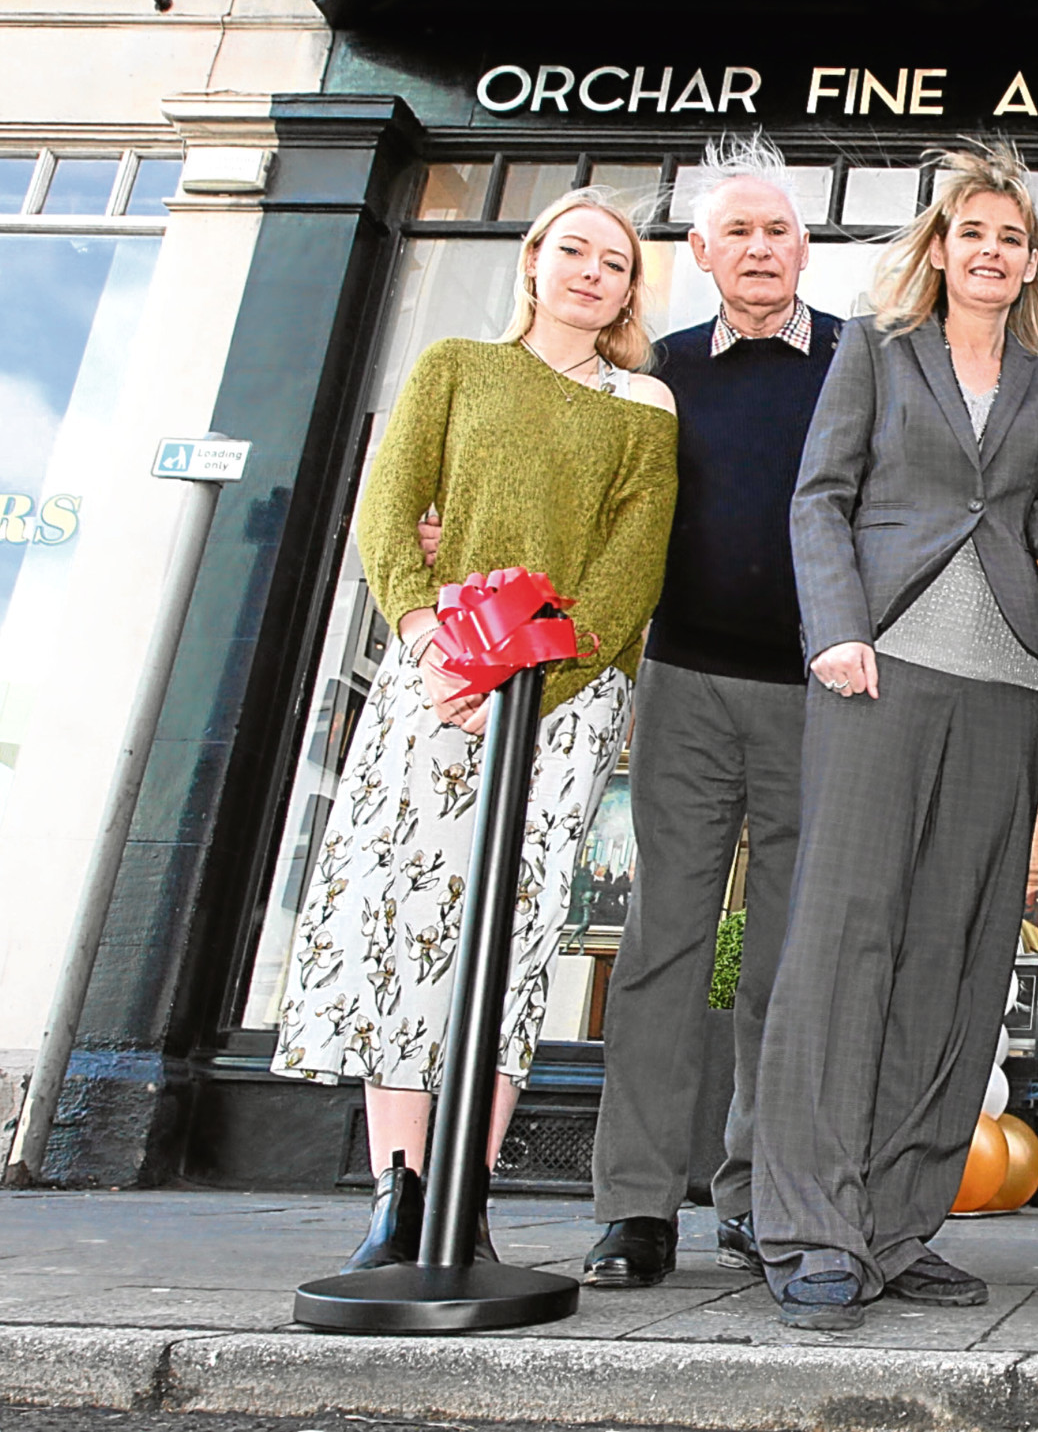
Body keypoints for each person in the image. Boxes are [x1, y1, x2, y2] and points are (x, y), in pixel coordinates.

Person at [753, 144, 1038, 1331]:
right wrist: (834, 628)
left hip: (1008, 683)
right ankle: (812, 1226)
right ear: (938, 248)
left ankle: (894, 1222)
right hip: (876, 667)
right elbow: (818, 497)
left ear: (1032, 262)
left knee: (961, 952)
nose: (993, 253)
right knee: (845, 946)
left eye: (1013, 239)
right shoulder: (874, 354)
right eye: (972, 233)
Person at [273, 186, 678, 1270]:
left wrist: (532, 681)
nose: (594, 272)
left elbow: (630, 569)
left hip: (563, 700)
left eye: (617, 262)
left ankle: (470, 1193)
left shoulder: (646, 406)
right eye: (576, 250)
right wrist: (423, 639)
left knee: (514, 936)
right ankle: (396, 1196)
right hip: (437, 681)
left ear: (632, 291)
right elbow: (387, 506)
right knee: (409, 927)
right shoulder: (456, 366)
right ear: (535, 262)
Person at [580, 138, 840, 1288]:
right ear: (700, 253)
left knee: (786, 961)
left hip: (815, 696)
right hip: (682, 685)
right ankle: (637, 1205)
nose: (760, 247)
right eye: (736, 231)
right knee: (664, 947)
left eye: (777, 229)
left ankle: (757, 1193)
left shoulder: (858, 362)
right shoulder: (658, 373)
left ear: (802, 244)